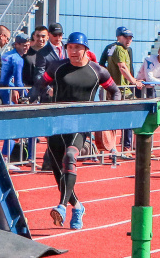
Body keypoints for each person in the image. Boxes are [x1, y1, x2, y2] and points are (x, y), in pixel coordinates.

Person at [31, 32, 121, 230]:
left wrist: (111, 112)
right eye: (69, 47)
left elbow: (115, 91)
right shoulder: (56, 67)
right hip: (56, 125)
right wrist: (29, 100)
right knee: (59, 175)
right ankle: (78, 207)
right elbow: (40, 84)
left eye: (77, 47)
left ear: (85, 49)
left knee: (70, 157)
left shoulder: (99, 71)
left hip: (80, 125)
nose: (72, 51)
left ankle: (62, 206)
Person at [106, 26, 142, 151]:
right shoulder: (119, 49)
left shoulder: (113, 48)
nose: (128, 40)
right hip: (121, 90)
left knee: (119, 117)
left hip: (116, 88)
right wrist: (134, 81)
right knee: (129, 116)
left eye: (130, 38)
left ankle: (118, 147)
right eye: (126, 37)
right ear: (118, 37)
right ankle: (124, 147)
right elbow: (122, 67)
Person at [0, 33, 30, 105]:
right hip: (5, 90)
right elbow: (18, 82)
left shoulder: (6, 54)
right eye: (25, 45)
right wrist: (28, 96)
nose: (27, 48)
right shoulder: (18, 59)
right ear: (16, 45)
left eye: (28, 45)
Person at [35, 22, 67, 89]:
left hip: (67, 89)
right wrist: (48, 89)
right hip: (52, 91)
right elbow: (40, 75)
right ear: (49, 34)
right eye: (55, 35)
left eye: (60, 35)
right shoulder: (42, 53)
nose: (58, 37)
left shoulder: (68, 47)